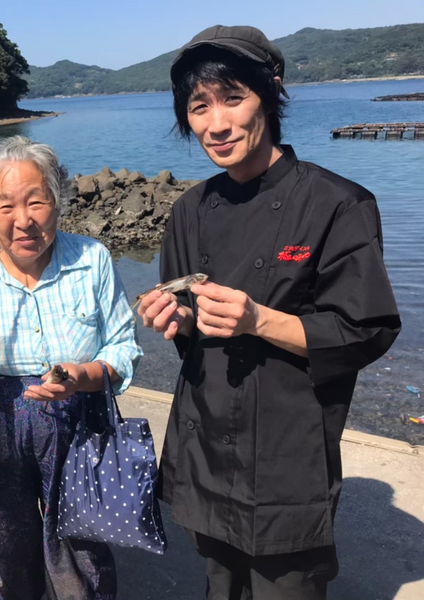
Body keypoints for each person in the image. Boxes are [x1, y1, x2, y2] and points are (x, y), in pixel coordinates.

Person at [137, 25, 401, 600]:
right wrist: (174, 319)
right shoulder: (190, 209)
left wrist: (258, 319)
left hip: (288, 455)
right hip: (203, 445)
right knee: (218, 587)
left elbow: (366, 329)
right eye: (199, 106)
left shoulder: (338, 204)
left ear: (271, 91)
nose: (216, 123)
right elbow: (191, 331)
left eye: (234, 98)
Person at [0, 136, 142, 600]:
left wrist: (80, 377)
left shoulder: (92, 259)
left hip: (79, 418)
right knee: (2, 545)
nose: (24, 221)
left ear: (58, 200)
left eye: (37, 201)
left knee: (82, 546)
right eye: (6, 206)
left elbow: (122, 350)